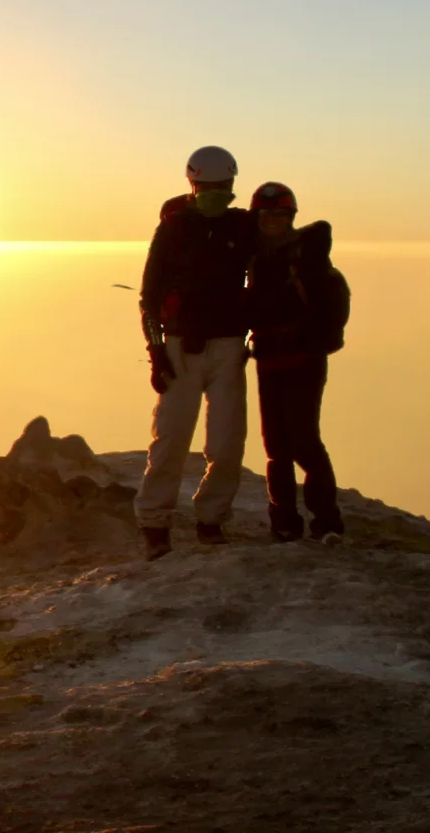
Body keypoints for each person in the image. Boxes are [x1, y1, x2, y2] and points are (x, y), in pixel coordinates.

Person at [134, 145, 258, 560]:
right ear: (193, 184)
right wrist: (156, 353)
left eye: (222, 187)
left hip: (227, 349)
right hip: (180, 349)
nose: (215, 193)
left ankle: (211, 519)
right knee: (170, 442)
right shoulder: (175, 229)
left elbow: (266, 272)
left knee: (227, 444)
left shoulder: (242, 228)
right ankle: (155, 524)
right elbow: (149, 296)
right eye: (208, 187)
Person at [246, 181, 347, 544]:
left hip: (302, 358)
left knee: (303, 441)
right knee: (276, 445)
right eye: (265, 214)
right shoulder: (257, 256)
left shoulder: (306, 257)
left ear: (290, 217)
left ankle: (326, 521)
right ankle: (286, 522)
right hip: (270, 357)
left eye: (279, 214)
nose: (271, 220)